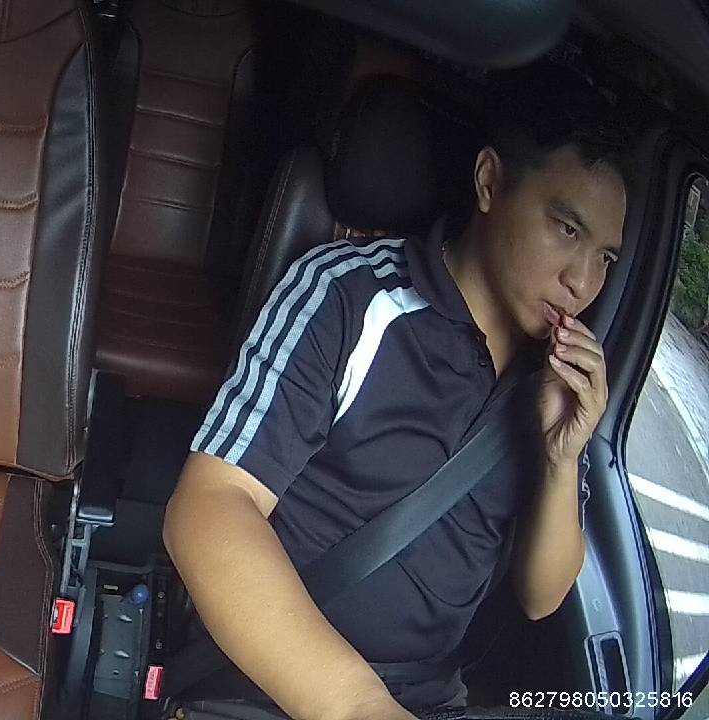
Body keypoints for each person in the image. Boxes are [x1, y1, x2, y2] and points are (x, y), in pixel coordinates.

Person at [163, 68, 632, 720]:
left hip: (429, 698)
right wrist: (361, 707)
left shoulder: (550, 384)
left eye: (606, 258)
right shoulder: (351, 297)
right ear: (489, 183)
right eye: (567, 230)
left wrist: (562, 458)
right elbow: (209, 507)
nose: (581, 281)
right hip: (261, 682)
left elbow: (541, 597)